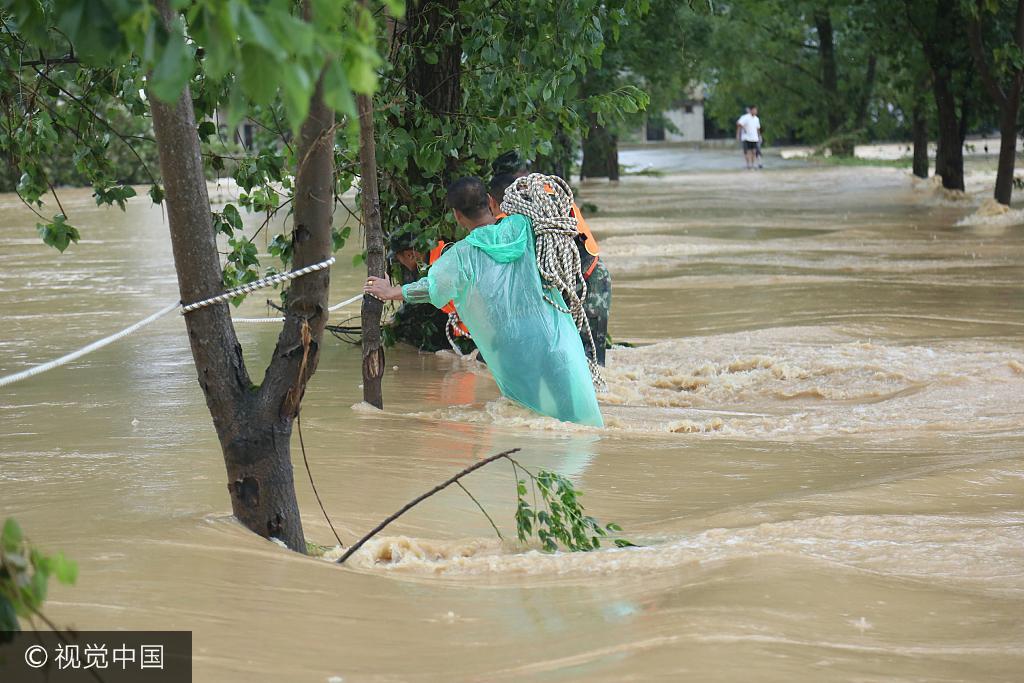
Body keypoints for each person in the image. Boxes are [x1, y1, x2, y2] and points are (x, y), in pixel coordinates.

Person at [365, 177, 603, 427]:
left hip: (513, 349)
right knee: (576, 420)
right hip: (555, 337)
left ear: (457, 216)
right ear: (490, 201)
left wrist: (391, 291)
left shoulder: (460, 256)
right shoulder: (525, 226)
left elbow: (432, 288)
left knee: (528, 417)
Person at [488, 167, 612, 365]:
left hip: (579, 286)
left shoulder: (510, 225)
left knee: (578, 364)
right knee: (590, 362)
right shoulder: (554, 204)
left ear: (491, 201)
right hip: (595, 277)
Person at [736, 106, 762, 170]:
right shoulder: (745, 117)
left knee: (754, 152)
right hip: (746, 137)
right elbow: (739, 124)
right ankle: (748, 165)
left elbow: (758, 128)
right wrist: (738, 134)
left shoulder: (756, 119)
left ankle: (753, 165)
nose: (755, 111)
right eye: (754, 110)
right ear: (751, 110)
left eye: (756, 110)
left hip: (754, 138)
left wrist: (759, 136)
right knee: (747, 152)